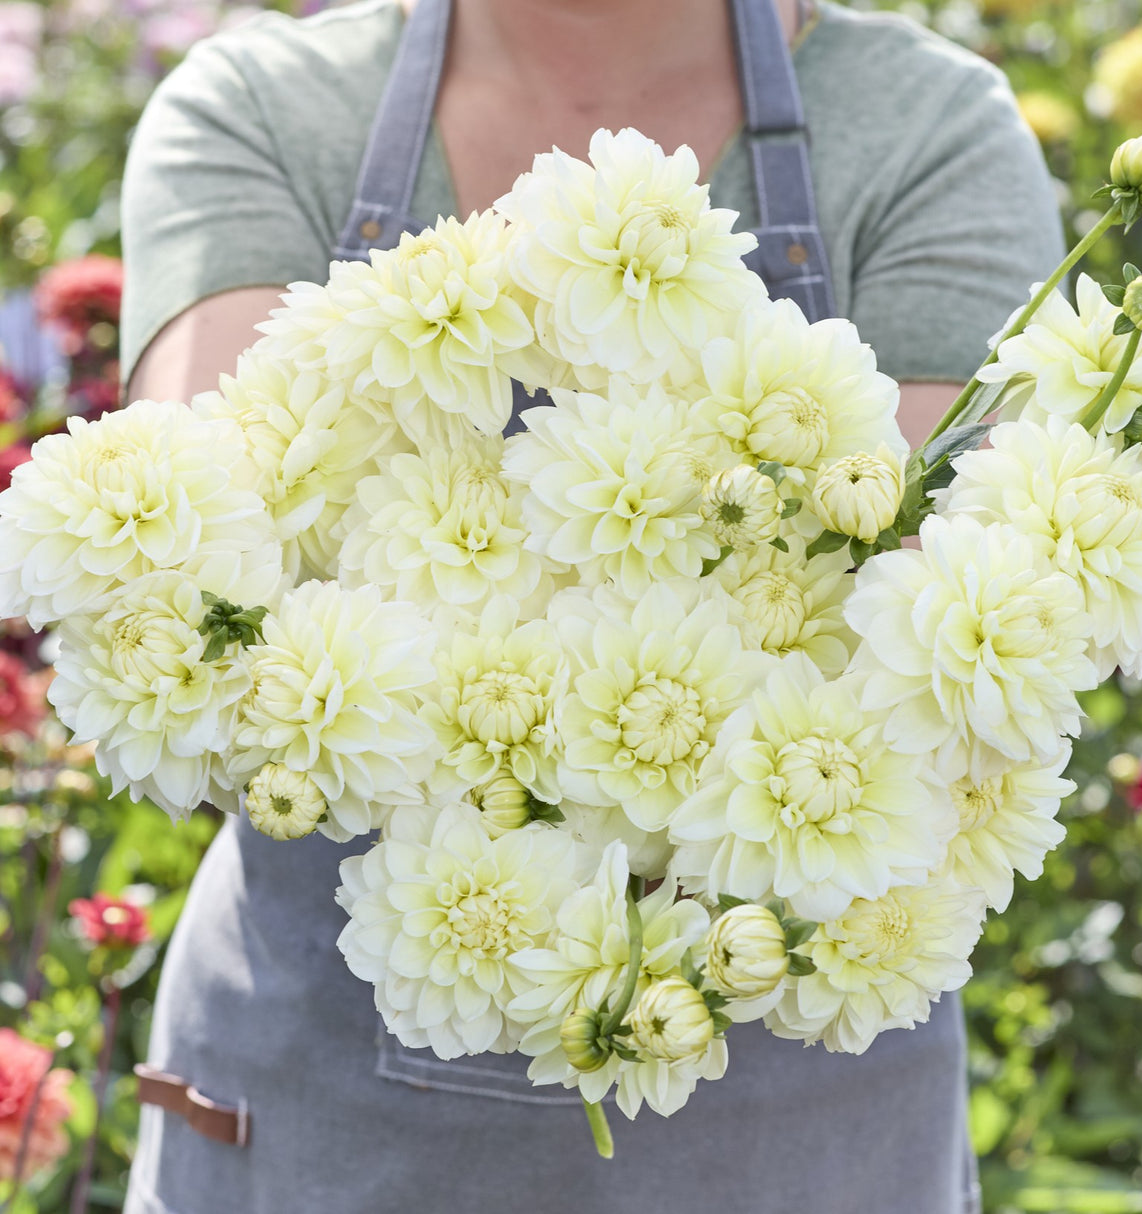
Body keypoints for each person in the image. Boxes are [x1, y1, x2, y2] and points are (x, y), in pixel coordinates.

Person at [118, 1, 1063, 1210]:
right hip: (323, 1115)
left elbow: (930, 655)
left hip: (788, 1134)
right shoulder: (262, 104)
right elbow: (203, 600)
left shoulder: (924, 125)